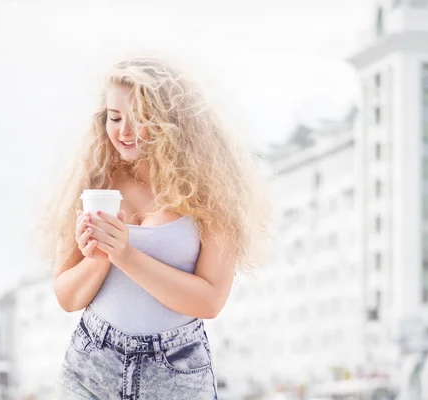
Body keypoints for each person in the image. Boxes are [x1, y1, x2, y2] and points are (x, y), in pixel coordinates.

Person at [40, 55, 270, 399]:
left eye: (140, 118)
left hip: (176, 371)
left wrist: (125, 253)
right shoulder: (93, 183)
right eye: (115, 118)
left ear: (171, 121)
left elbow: (209, 301)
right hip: (92, 363)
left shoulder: (212, 192)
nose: (124, 132)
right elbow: (67, 297)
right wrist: (99, 258)